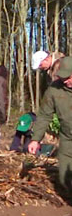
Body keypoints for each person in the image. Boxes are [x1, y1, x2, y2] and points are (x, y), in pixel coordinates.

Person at [28, 57, 72, 193]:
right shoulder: (54, 89)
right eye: (63, 78)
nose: (66, 81)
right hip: (68, 136)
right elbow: (44, 115)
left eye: (69, 77)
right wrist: (36, 139)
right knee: (65, 175)